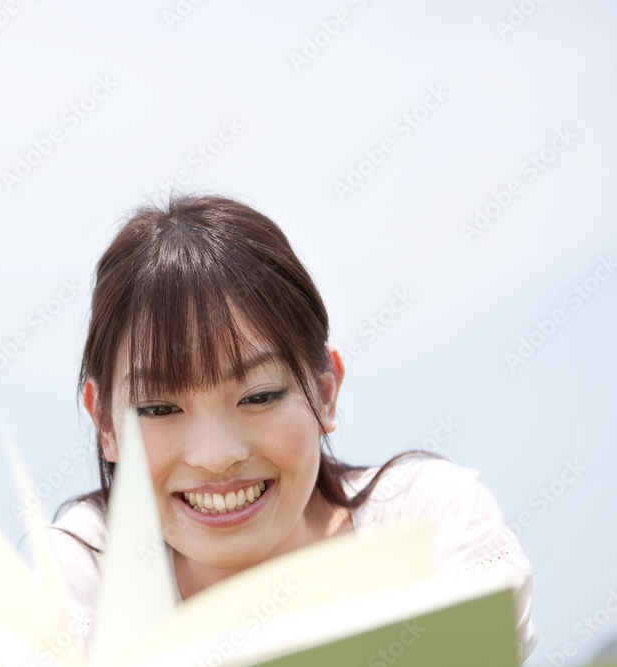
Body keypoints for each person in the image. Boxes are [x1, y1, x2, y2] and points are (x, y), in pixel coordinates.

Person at [47, 193, 536, 661]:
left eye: (259, 396)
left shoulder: (430, 523)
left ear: (325, 392)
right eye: (158, 409)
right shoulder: (88, 573)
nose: (216, 456)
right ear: (104, 422)